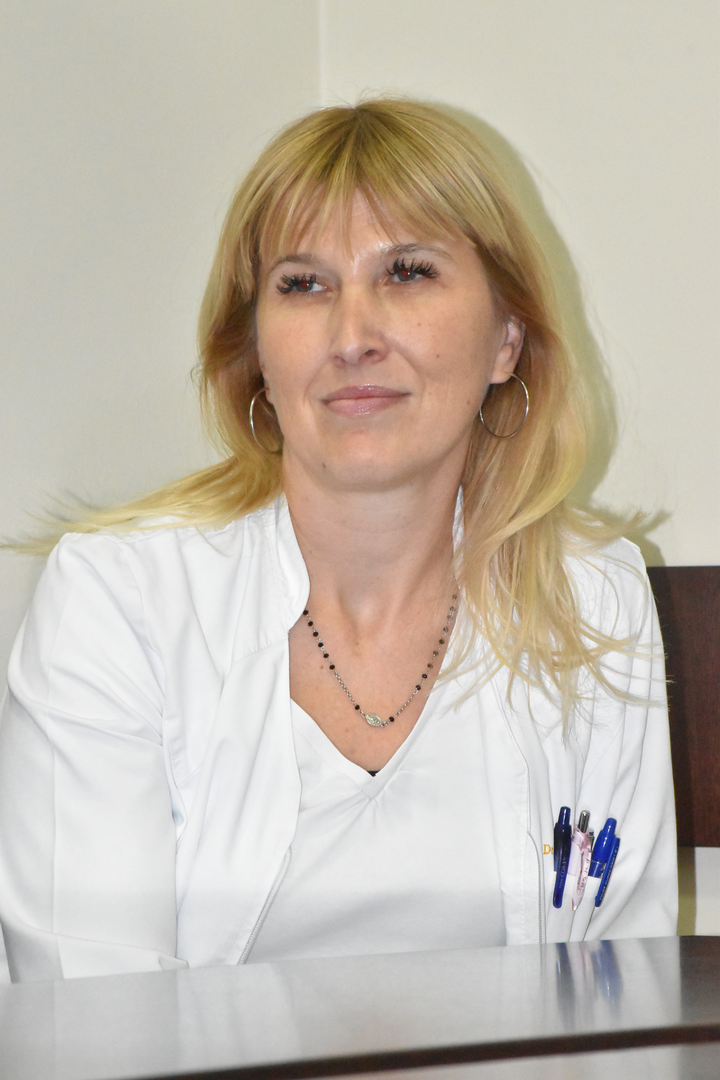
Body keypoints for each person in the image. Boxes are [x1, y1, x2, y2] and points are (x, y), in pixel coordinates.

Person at [0, 99, 677, 982]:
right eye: (304, 285)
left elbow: (623, 997)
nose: (353, 337)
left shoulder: (595, 599)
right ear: (256, 353)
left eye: (408, 272)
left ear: (506, 341)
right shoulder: (117, 599)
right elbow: (94, 1016)